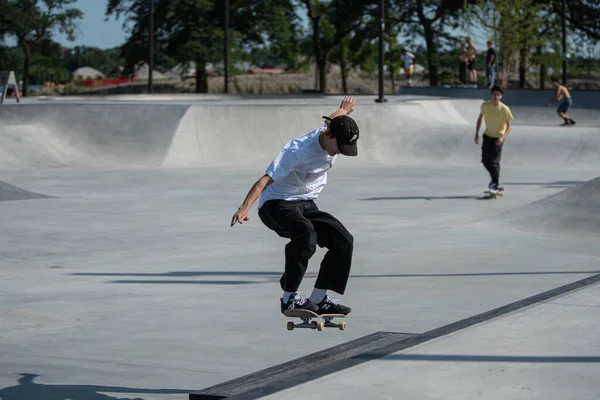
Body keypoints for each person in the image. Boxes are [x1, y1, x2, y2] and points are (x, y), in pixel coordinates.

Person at [230, 96, 359, 316]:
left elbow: (334, 120)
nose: (339, 152)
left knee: (343, 240)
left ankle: (318, 299)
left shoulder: (332, 129)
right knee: (306, 235)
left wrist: (343, 110)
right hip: (276, 204)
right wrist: (244, 208)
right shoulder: (296, 151)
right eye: (339, 147)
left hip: (306, 203)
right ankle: (290, 299)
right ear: (329, 136)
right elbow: (264, 180)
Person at [475, 85, 514, 194]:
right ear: (491, 95)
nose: (496, 96)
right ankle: (493, 180)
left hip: (498, 137)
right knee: (485, 161)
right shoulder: (485, 105)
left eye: (498, 95)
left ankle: (495, 183)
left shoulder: (504, 109)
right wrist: (477, 133)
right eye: (494, 94)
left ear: (501, 96)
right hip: (487, 136)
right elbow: (480, 118)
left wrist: (502, 137)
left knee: (494, 162)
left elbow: (509, 126)